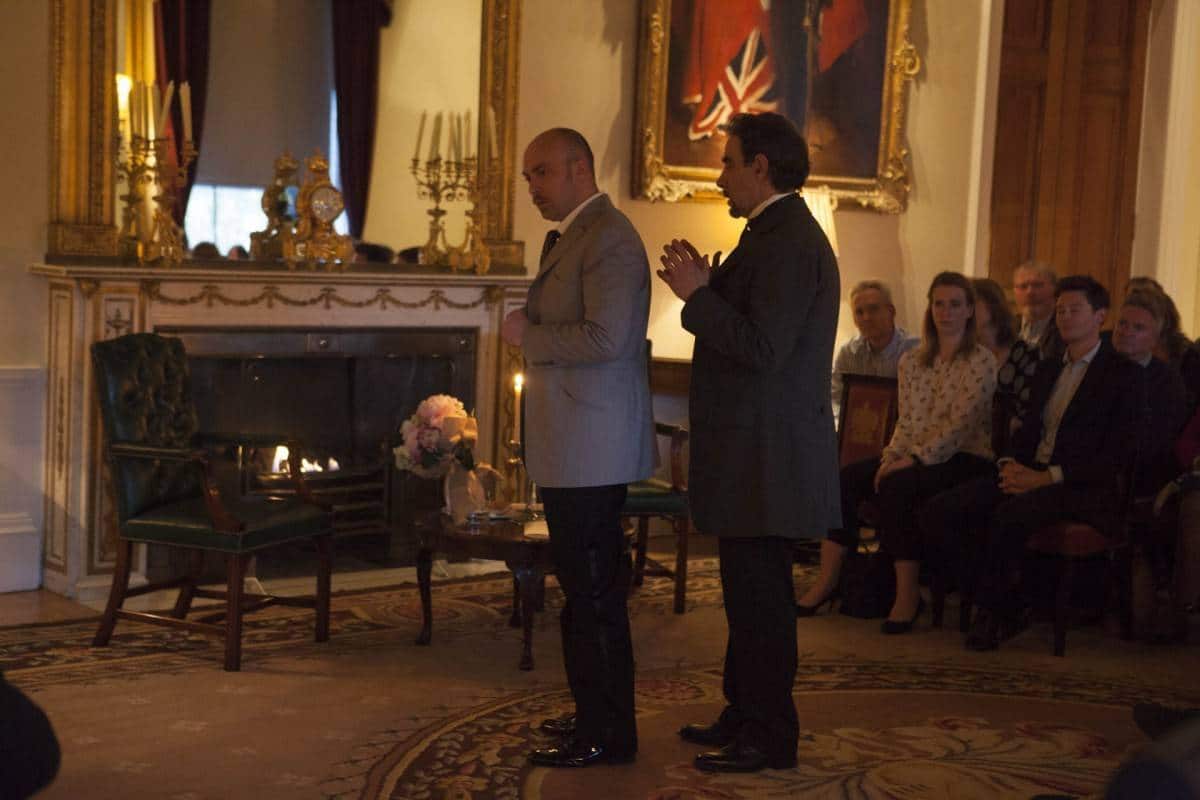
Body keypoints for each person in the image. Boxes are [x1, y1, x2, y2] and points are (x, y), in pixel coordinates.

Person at [656, 111, 840, 773]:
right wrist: (710, 291)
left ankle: (769, 734)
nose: (721, 176)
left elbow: (764, 349)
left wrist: (697, 297)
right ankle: (744, 712)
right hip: (755, 454)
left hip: (768, 458)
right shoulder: (770, 233)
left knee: (762, 604)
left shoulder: (787, 241)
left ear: (761, 167)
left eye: (729, 162)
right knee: (747, 597)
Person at [501, 128, 655, 768]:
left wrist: (527, 336)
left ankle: (608, 733)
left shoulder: (609, 237)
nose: (531, 187)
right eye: (528, 176)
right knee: (583, 593)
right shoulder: (578, 234)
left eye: (540, 172)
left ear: (579, 169)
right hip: (575, 445)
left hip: (593, 449)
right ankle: (594, 713)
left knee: (593, 595)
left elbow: (606, 340)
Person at [920, 275, 1139, 651]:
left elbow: (1116, 453)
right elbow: (1027, 432)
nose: (1065, 317)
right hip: (1033, 471)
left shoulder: (1122, 374)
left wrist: (1048, 477)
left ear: (1099, 316)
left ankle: (992, 613)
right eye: (1060, 310)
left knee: (1008, 515)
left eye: (1075, 310)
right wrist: (1009, 465)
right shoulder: (1049, 367)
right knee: (942, 510)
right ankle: (1005, 601)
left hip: (1082, 486)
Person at [797, 273, 997, 632]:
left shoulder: (981, 360)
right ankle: (827, 580)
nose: (946, 312)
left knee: (897, 484)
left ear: (969, 310)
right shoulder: (913, 360)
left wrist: (912, 460)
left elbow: (959, 426)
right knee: (846, 478)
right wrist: (891, 456)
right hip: (914, 453)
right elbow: (906, 421)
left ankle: (906, 595)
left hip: (965, 458)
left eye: (955, 304)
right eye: (939, 304)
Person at [830, 279, 918, 420]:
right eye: (859, 312)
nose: (866, 318)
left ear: (891, 312)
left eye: (873, 309)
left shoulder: (915, 350)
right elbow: (835, 399)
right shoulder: (847, 353)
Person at [973, 277, 1040, 446]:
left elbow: (1028, 411)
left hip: (1010, 443)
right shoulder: (964, 354)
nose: (963, 311)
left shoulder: (1025, 354)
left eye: (971, 303)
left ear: (992, 306)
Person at [1012, 261, 1064, 359]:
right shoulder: (1005, 327)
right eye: (1023, 286)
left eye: (1038, 285)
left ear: (1055, 289)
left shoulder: (1065, 329)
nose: (1030, 293)